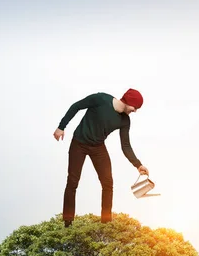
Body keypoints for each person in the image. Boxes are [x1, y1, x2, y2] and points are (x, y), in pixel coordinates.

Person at [53, 88, 149, 227]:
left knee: (108, 182)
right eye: (135, 107)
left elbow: (126, 146)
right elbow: (76, 106)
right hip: (79, 143)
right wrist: (61, 127)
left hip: (98, 147)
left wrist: (138, 165)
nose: (135, 111)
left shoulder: (125, 121)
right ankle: (68, 221)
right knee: (73, 181)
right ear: (129, 102)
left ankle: (106, 222)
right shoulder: (101, 99)